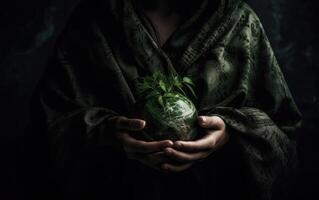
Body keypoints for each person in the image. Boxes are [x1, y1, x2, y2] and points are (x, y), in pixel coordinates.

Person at [39, 0, 302, 199]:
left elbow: (284, 131)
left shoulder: (239, 22)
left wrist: (230, 132)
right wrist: (105, 133)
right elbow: (47, 124)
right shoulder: (94, 20)